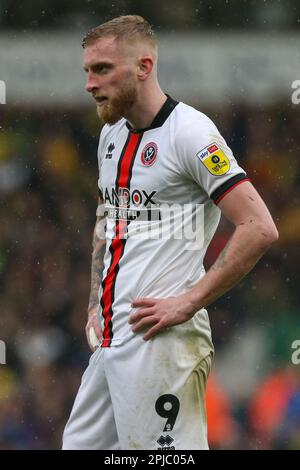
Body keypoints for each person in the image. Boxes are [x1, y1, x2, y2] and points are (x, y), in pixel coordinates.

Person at [62, 15, 278, 450]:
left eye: (102, 69)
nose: (89, 82)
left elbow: (259, 227)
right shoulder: (110, 135)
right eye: (87, 70)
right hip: (111, 339)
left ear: (143, 67)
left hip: (160, 343)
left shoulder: (192, 134)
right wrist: (93, 305)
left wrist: (188, 301)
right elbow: (108, 222)